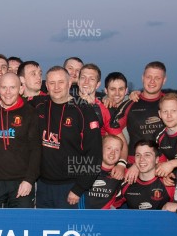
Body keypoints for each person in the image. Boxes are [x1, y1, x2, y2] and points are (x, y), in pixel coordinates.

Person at [36, 66, 102, 209]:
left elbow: (94, 154)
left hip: (71, 188)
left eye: (61, 82)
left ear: (69, 83)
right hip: (42, 186)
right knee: (44, 230)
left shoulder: (83, 110)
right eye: (52, 83)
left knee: (70, 230)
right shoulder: (39, 105)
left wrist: (79, 188)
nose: (56, 87)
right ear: (46, 85)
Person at [0, 73, 40, 207]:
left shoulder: (30, 113)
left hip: (21, 182)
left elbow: (36, 150)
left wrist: (29, 180)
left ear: (21, 89)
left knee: (21, 225)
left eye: (13, 87)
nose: (8, 92)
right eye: (4, 87)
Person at [75, 63, 128, 179]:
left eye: (91, 79)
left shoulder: (104, 109)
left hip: (90, 169)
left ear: (98, 84)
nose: (86, 82)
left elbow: (122, 142)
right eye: (83, 78)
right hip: (63, 167)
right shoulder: (66, 102)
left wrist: (121, 164)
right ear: (78, 81)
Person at [114, 140, 173, 210]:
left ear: (157, 159)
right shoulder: (127, 181)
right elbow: (111, 208)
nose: (142, 159)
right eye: (138, 155)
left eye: (147, 155)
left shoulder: (168, 182)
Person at [83, 135, 125, 209]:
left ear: (121, 154)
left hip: (106, 216)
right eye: (109, 148)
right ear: (100, 149)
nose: (113, 153)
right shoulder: (84, 167)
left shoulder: (124, 174)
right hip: (82, 215)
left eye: (117, 150)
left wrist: (136, 168)